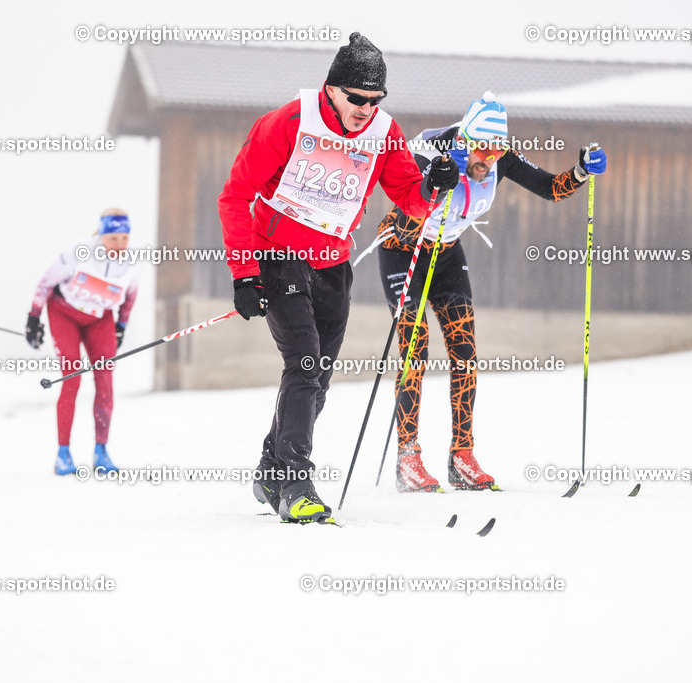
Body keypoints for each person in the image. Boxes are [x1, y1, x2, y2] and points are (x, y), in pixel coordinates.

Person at [217, 32, 460, 523]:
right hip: (278, 254)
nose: (365, 109)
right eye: (357, 98)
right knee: (304, 364)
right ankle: (295, 484)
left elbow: (408, 197)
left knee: (317, 379)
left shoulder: (384, 133)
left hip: (333, 264)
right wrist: (245, 274)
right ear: (331, 88)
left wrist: (432, 186)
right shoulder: (287, 122)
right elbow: (234, 196)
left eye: (375, 100)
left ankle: (271, 468)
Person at [371, 92, 607, 493]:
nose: (489, 160)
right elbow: (402, 200)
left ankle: (461, 456)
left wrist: (582, 172)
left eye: (497, 152)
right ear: (464, 138)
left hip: (444, 254)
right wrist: (437, 178)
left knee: (465, 352)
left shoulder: (497, 157)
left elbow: (550, 188)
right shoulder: (431, 148)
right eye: (483, 150)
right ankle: (407, 458)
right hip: (402, 249)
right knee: (416, 348)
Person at [26, 209, 140, 477]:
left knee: (105, 381)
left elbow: (130, 297)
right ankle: (63, 453)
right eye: (113, 238)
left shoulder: (134, 261)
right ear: (101, 235)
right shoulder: (80, 252)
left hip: (100, 318)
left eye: (124, 238)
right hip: (64, 312)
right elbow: (45, 282)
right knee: (72, 378)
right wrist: (33, 317)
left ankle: (101, 451)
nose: (119, 245)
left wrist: (121, 326)